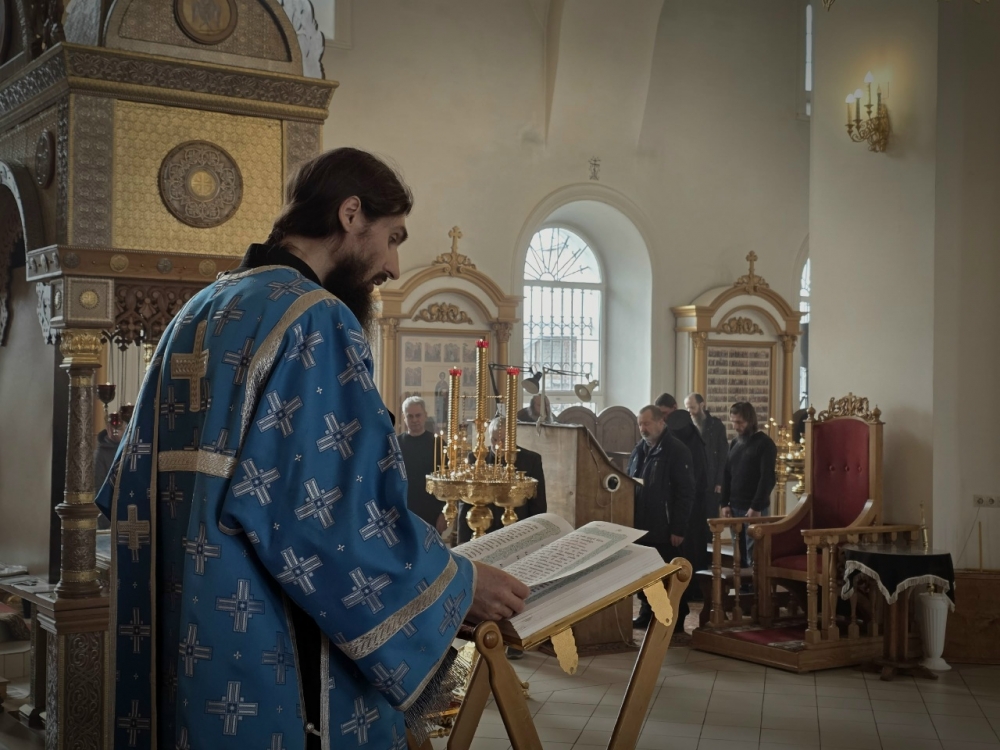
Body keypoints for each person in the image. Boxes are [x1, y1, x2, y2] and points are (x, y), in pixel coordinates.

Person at [96, 148, 529, 750]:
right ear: (351, 215)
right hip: (271, 656)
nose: (393, 266)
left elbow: (126, 483)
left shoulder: (196, 312)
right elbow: (325, 516)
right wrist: (457, 584)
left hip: (181, 648)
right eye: (392, 238)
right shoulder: (315, 319)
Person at [628, 405, 694, 630]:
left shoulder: (677, 450)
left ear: (660, 422)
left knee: (669, 574)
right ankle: (647, 613)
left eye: (646, 423)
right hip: (642, 525)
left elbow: (685, 492)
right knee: (646, 574)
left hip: (665, 527)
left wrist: (678, 528)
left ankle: (676, 618)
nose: (642, 428)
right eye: (640, 424)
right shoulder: (639, 449)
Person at [457, 416, 547, 544]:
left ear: (512, 438)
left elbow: (538, 505)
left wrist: (536, 539)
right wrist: (462, 542)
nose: (498, 445)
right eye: (494, 439)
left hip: (518, 532)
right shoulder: (476, 458)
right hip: (483, 532)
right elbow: (465, 501)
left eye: (503, 440)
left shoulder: (531, 460)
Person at [720, 401, 778, 567]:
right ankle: (741, 584)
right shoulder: (735, 443)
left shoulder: (765, 444)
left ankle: (756, 584)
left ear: (751, 421)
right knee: (739, 556)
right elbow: (727, 474)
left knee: (755, 555)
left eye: (740, 422)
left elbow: (767, 478)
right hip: (735, 508)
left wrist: (756, 506)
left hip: (754, 508)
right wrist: (724, 503)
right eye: (733, 422)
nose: (735, 426)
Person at [666, 409, 710, 581]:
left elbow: (693, 482)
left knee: (692, 547)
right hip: (685, 504)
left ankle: (692, 583)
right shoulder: (689, 442)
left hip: (693, 503)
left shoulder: (690, 447)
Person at [398, 396, 447, 532]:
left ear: (425, 415)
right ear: (404, 417)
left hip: (432, 512)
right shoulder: (396, 445)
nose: (414, 420)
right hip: (404, 511)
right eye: (410, 416)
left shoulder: (438, 444)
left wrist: (444, 512)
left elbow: (447, 482)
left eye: (418, 415)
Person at [685, 393, 729, 518]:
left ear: (701, 405)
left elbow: (723, 456)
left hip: (711, 482)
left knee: (710, 519)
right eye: (687, 408)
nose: (689, 412)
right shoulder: (686, 426)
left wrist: (719, 482)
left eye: (692, 407)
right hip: (692, 482)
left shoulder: (716, 425)